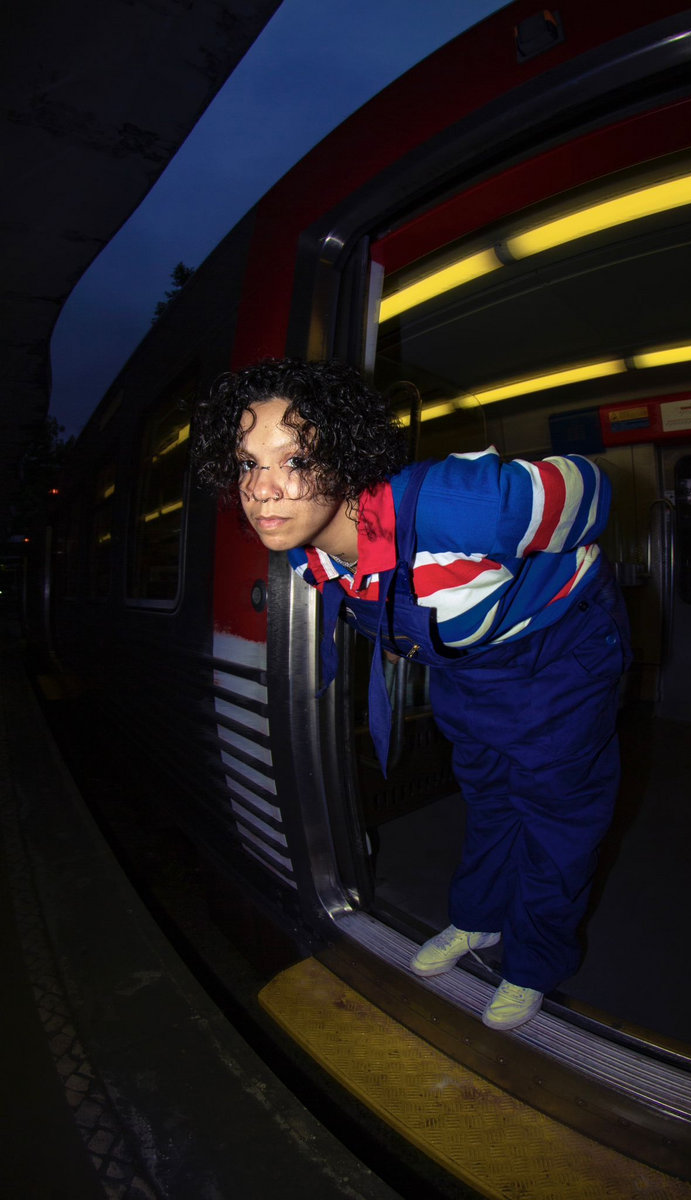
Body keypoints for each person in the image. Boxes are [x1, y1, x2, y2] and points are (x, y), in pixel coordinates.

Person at [193, 358, 631, 1031]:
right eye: (249, 463)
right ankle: (480, 919)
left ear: (345, 457)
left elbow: (592, 490)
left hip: (559, 650)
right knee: (488, 791)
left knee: (556, 812)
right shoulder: (308, 550)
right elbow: (381, 592)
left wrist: (532, 525)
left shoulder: (458, 505)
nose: (262, 489)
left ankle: (535, 962)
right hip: (469, 667)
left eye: (295, 459)